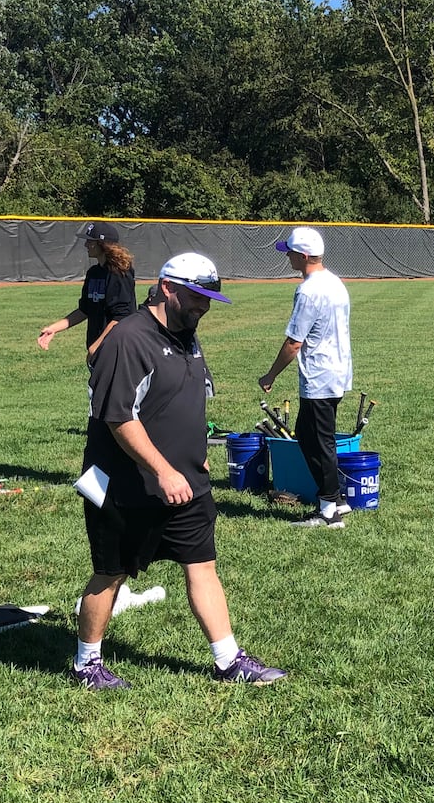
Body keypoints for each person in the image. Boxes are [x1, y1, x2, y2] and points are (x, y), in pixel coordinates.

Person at [74, 252, 287, 690]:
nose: (203, 306)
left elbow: (181, 401)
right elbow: (119, 418)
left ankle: (228, 661)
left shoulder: (186, 333)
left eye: (209, 298)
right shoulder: (129, 339)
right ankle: (86, 664)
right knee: (110, 572)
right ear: (167, 287)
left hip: (187, 481)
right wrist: (162, 470)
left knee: (202, 565)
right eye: (196, 297)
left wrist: (194, 456)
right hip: (125, 487)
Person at [258, 226, 353, 529]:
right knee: (309, 434)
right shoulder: (335, 282)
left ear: (303, 255)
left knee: (318, 439)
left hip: (320, 374)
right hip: (337, 370)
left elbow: (294, 343)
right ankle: (335, 498)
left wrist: (270, 375)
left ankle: (329, 511)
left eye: (290, 252)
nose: (287, 256)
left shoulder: (309, 290)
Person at [35, 223, 137, 363]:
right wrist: (53, 329)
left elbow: (121, 317)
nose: (86, 245)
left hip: (118, 350)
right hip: (100, 350)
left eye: (90, 241)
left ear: (102, 244)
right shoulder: (93, 273)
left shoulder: (119, 274)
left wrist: (96, 347)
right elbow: (85, 310)